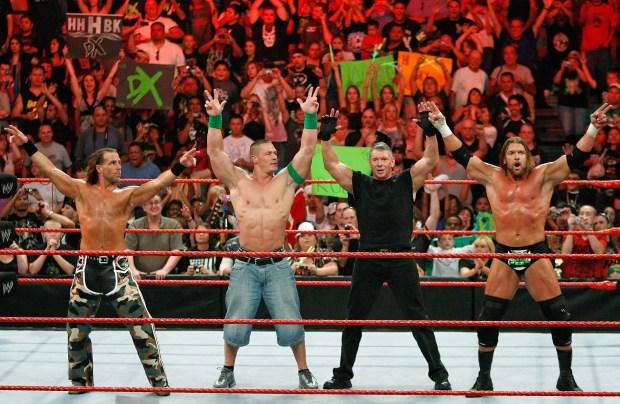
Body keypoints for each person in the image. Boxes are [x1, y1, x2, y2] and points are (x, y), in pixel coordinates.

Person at [421, 99, 612, 393]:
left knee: (559, 315)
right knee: (488, 319)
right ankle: (484, 378)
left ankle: (566, 377)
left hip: (536, 253)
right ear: (504, 158)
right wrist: (442, 124)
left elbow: (575, 157)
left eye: (520, 151)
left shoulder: (544, 175)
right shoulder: (492, 176)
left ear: (528, 156)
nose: (516, 156)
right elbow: (461, 153)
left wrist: (592, 128)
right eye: (511, 153)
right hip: (505, 254)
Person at [7, 124, 198, 395]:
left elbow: (158, 183)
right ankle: (80, 381)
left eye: (120, 162)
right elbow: (49, 170)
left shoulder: (127, 195)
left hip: (117, 268)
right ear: (99, 167)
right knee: (76, 329)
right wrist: (27, 143)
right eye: (113, 163)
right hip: (87, 267)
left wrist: (179, 165)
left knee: (142, 326)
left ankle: (159, 381)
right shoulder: (80, 191)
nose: (119, 167)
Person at [320, 104, 451, 390]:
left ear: (393, 162)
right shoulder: (360, 183)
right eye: (375, 159)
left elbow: (430, 159)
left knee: (418, 318)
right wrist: (325, 137)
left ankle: (440, 374)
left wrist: (429, 131)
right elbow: (331, 165)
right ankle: (343, 376)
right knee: (353, 319)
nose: (379, 163)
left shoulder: (406, 181)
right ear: (371, 162)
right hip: (367, 258)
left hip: (401, 258)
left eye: (384, 159)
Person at [206, 87, 323, 389]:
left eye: (275, 153)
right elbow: (215, 153)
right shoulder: (237, 181)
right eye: (269, 154)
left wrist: (310, 116)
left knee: (291, 323)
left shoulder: (285, 183)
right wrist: (216, 120)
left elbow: (307, 151)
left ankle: (303, 371)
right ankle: (227, 370)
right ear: (254, 158)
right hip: (244, 263)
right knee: (235, 325)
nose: (275, 157)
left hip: (278, 263)